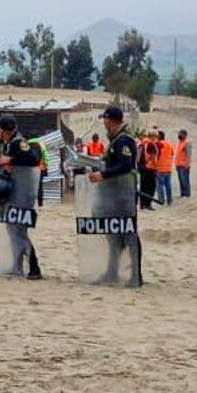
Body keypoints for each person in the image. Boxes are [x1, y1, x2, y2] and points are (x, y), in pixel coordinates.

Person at [86, 106, 143, 286]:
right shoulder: (115, 140)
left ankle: (135, 275)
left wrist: (103, 175)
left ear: (110, 120)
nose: (104, 122)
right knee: (113, 236)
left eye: (105, 119)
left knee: (128, 234)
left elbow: (125, 165)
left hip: (123, 196)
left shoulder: (123, 140)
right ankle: (112, 272)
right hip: (113, 195)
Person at [0, 115, 44, 279]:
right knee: (12, 230)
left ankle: (34, 267)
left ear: (6, 130)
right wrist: (0, 161)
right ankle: (17, 265)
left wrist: (12, 159)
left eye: (0, 128)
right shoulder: (1, 143)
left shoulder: (19, 143)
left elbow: (33, 159)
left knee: (19, 231)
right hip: (8, 193)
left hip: (22, 195)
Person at [137, 130, 160, 210]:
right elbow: (153, 157)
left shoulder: (143, 143)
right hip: (150, 168)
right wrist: (156, 167)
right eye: (156, 136)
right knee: (151, 187)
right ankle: (148, 204)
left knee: (143, 186)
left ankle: (142, 204)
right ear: (153, 136)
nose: (157, 138)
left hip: (142, 167)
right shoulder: (151, 144)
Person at [155, 129, 175, 205]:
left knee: (160, 185)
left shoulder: (158, 144)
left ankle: (161, 200)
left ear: (159, 136)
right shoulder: (169, 144)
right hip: (168, 167)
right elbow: (172, 154)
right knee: (168, 185)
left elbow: (156, 155)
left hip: (160, 167)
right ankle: (170, 200)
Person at [175, 129, 192, 198]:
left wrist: (186, 165)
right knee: (181, 180)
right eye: (179, 134)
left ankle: (186, 194)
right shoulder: (179, 143)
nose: (179, 135)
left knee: (185, 179)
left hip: (184, 165)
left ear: (185, 135)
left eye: (181, 134)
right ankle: (182, 193)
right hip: (178, 164)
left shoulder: (187, 143)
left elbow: (188, 155)